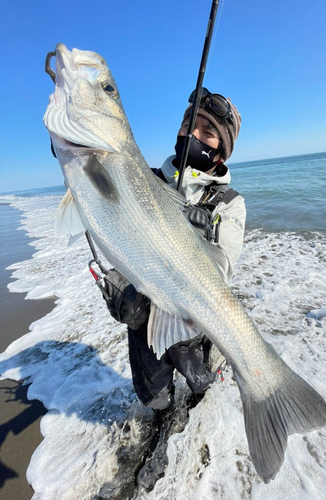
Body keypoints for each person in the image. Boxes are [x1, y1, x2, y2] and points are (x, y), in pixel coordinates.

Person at [102, 88, 246, 414]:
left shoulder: (230, 203)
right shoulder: (147, 180)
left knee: (202, 386)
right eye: (188, 125)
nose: (192, 134)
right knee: (154, 396)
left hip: (195, 323)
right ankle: (162, 417)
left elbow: (222, 268)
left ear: (221, 153)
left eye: (207, 132)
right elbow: (113, 224)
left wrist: (188, 235)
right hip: (145, 320)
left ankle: (198, 415)